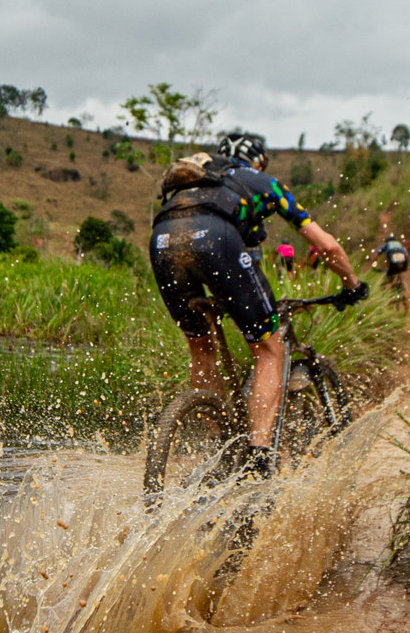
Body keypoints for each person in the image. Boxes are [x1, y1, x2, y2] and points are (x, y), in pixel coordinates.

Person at [148, 131, 363, 477]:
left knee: (201, 347)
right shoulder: (265, 183)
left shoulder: (201, 180)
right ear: (259, 162)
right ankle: (259, 457)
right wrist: (352, 284)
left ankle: (218, 447)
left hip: (162, 239)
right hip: (216, 238)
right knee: (269, 347)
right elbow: (327, 247)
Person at [370, 218, 410, 305]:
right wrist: (406, 266)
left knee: (385, 281)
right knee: (398, 273)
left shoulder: (386, 245)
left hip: (393, 265)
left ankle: (384, 297)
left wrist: (374, 263)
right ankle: (402, 289)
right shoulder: (400, 244)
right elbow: (406, 256)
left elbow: (377, 255)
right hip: (403, 264)